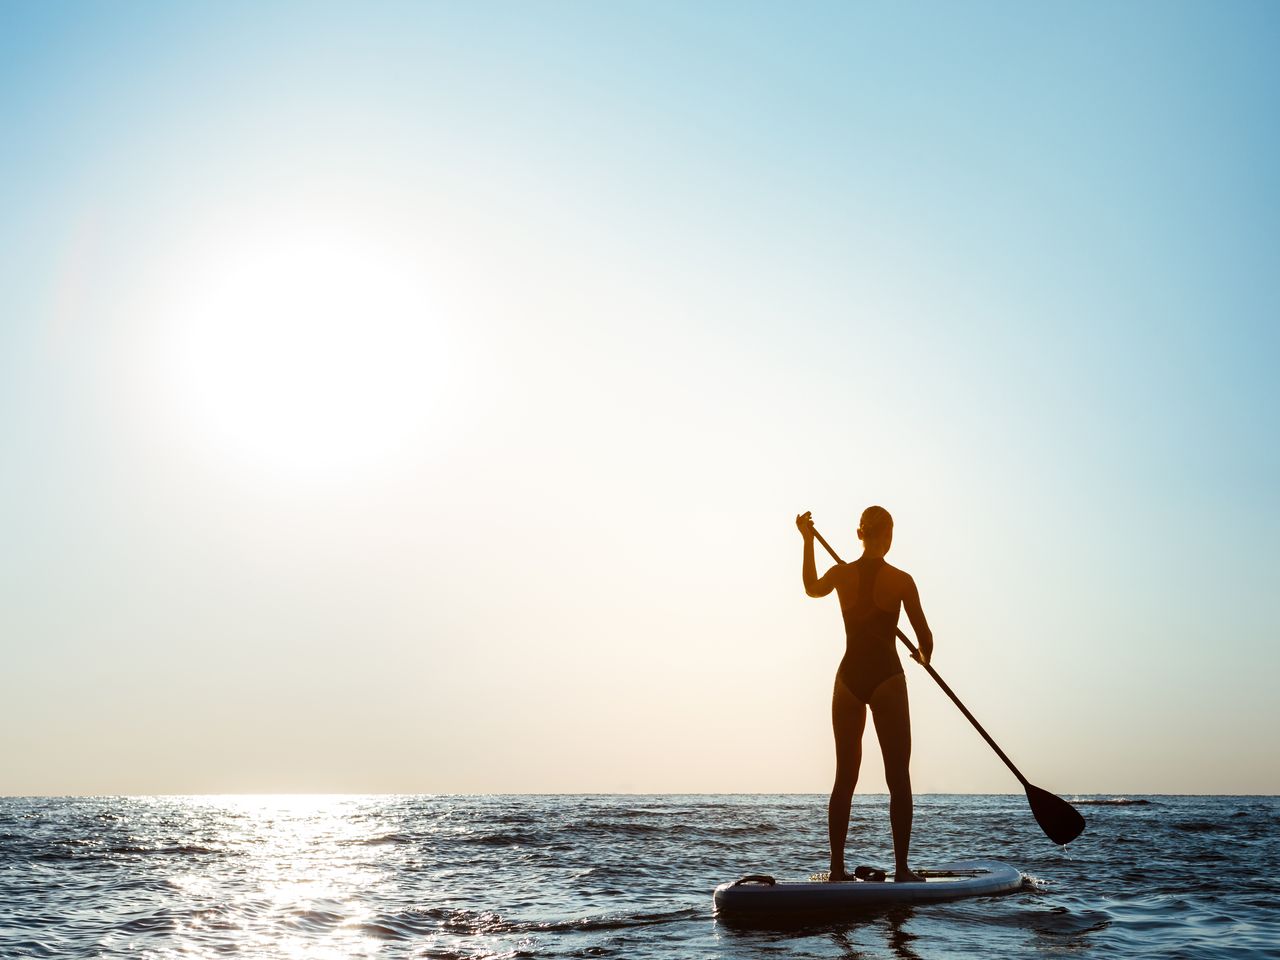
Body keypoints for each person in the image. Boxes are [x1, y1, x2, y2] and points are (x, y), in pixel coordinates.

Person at [795, 506, 934, 883]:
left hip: (848, 680)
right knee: (898, 777)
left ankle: (837, 869)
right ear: (887, 536)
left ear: (860, 534)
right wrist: (922, 657)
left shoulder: (841, 574)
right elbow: (925, 640)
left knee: (844, 778)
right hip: (887, 678)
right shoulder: (902, 580)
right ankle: (903, 870)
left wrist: (808, 541)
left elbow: (810, 588)